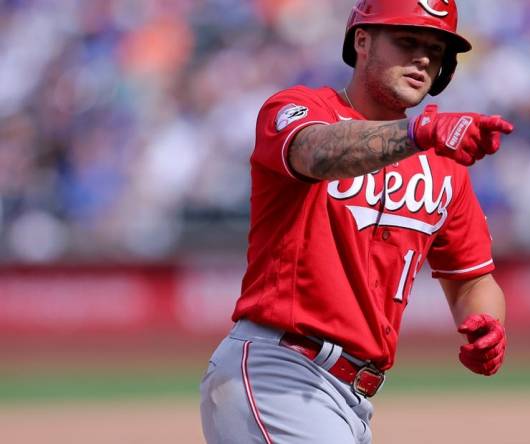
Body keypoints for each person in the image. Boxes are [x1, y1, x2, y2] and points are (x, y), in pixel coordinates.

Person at [200, 1, 513, 443]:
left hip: (352, 396)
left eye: (435, 48)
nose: (423, 57)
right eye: (407, 41)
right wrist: (416, 134)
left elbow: (472, 278)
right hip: (280, 372)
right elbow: (315, 152)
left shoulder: (444, 167)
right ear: (361, 41)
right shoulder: (299, 107)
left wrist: (488, 323)